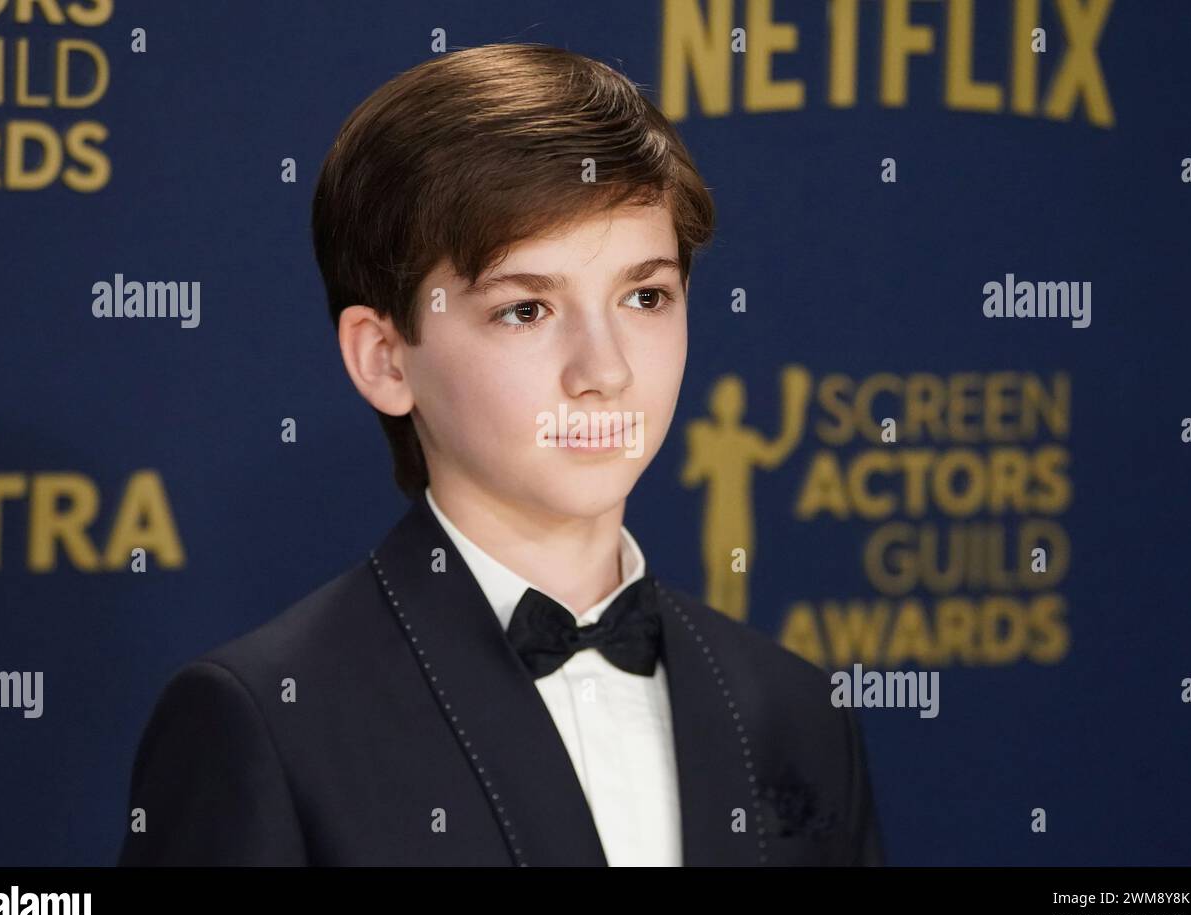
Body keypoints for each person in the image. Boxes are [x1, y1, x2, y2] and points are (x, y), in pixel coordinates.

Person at [117, 42, 883, 867]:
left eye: (645, 296)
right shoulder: (263, 721)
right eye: (525, 310)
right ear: (384, 358)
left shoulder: (795, 708)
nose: (606, 370)